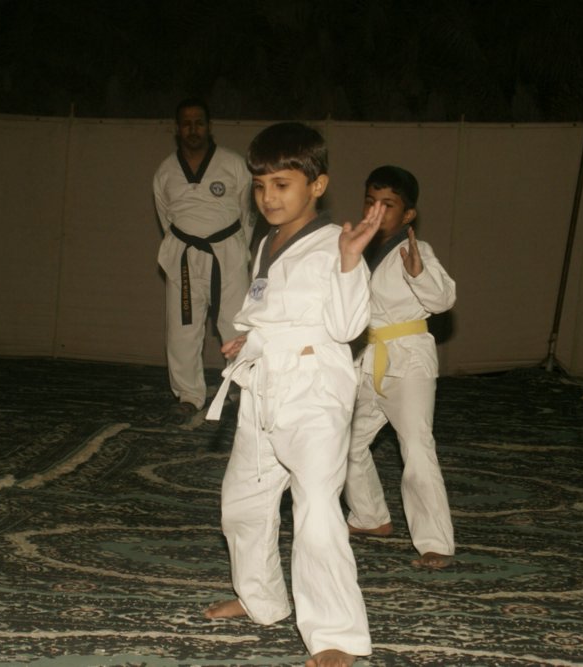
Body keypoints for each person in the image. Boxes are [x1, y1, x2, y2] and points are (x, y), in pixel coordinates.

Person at [204, 123, 383, 667]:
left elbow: (347, 326)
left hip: (315, 393)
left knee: (317, 512)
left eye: (282, 185)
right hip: (264, 386)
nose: (268, 198)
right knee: (243, 503)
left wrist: (350, 262)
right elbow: (271, 309)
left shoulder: (337, 244)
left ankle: (336, 636)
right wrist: (249, 338)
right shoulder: (267, 241)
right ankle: (260, 598)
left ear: (317, 185)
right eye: (260, 186)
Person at [343, 166, 457, 569]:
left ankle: (435, 542)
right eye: (370, 201)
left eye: (388, 204)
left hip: (407, 363)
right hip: (366, 359)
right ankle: (370, 515)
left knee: (417, 447)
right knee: (346, 442)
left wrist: (419, 274)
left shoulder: (417, 249)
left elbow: (443, 300)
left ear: (408, 214)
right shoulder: (355, 248)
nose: (377, 210)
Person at [153, 98, 254, 416]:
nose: (193, 129)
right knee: (182, 330)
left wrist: (236, 248)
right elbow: (166, 218)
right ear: (177, 128)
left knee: (236, 325)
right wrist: (187, 243)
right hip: (184, 257)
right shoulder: (166, 171)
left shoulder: (233, 164)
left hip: (227, 255)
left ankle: (242, 392)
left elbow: (248, 213)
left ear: (209, 127)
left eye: (199, 123)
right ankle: (188, 395)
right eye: (186, 123)